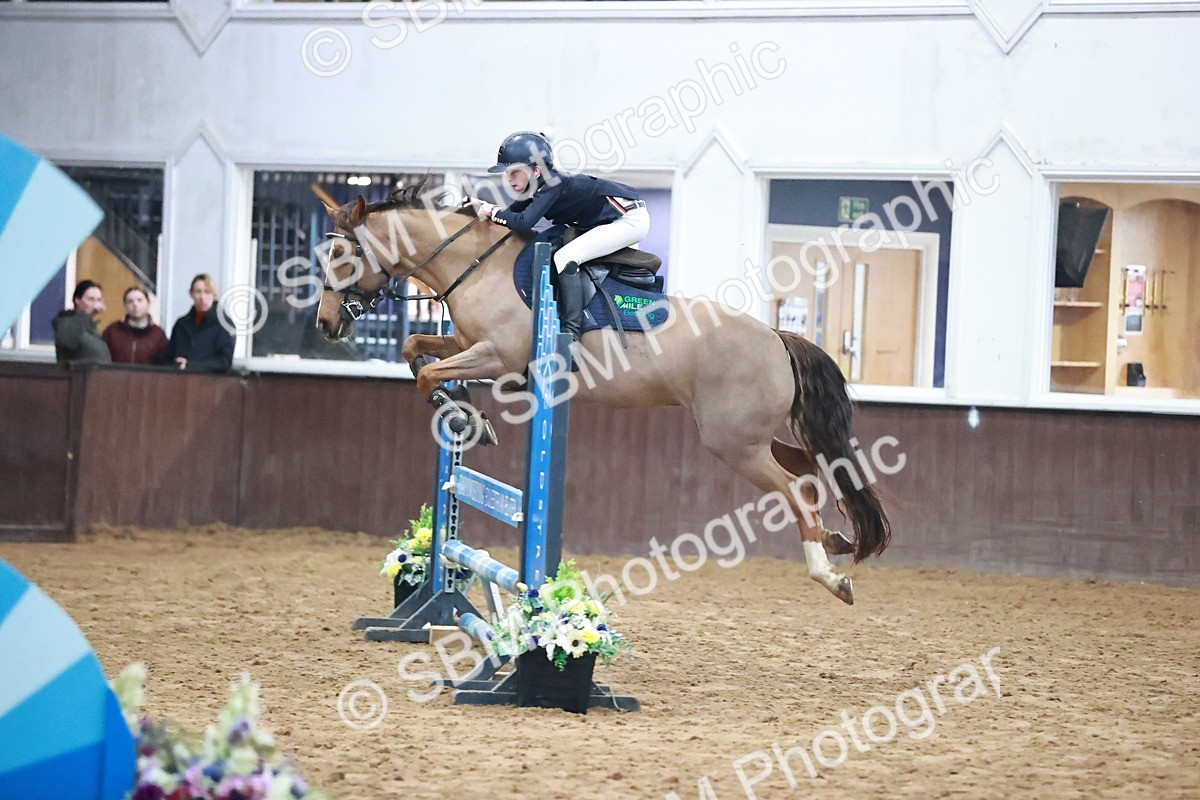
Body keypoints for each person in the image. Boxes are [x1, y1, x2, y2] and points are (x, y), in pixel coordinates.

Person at [474, 131, 651, 344]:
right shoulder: (538, 186)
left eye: (514, 172)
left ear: (536, 170)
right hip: (612, 220)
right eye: (507, 173)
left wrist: (492, 211)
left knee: (565, 257)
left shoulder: (553, 183)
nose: (509, 178)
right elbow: (512, 216)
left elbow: (523, 222)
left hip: (629, 220)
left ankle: (571, 335)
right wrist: (481, 209)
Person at [165, 273, 233, 373]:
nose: (202, 297)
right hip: (182, 381)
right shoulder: (181, 325)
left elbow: (224, 362)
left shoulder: (224, 324)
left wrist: (190, 364)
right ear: (191, 294)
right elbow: (169, 357)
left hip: (211, 382)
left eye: (207, 292)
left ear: (214, 295)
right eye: (198, 292)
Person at [103, 286, 169, 365]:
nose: (135, 304)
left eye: (139, 300)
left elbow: (165, 363)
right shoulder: (112, 331)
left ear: (148, 303)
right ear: (125, 305)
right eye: (130, 301)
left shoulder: (158, 335)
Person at [52, 280, 112, 364]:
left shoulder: (91, 326)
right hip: (76, 375)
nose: (95, 304)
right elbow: (66, 342)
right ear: (77, 300)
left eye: (98, 300)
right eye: (91, 299)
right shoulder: (66, 321)